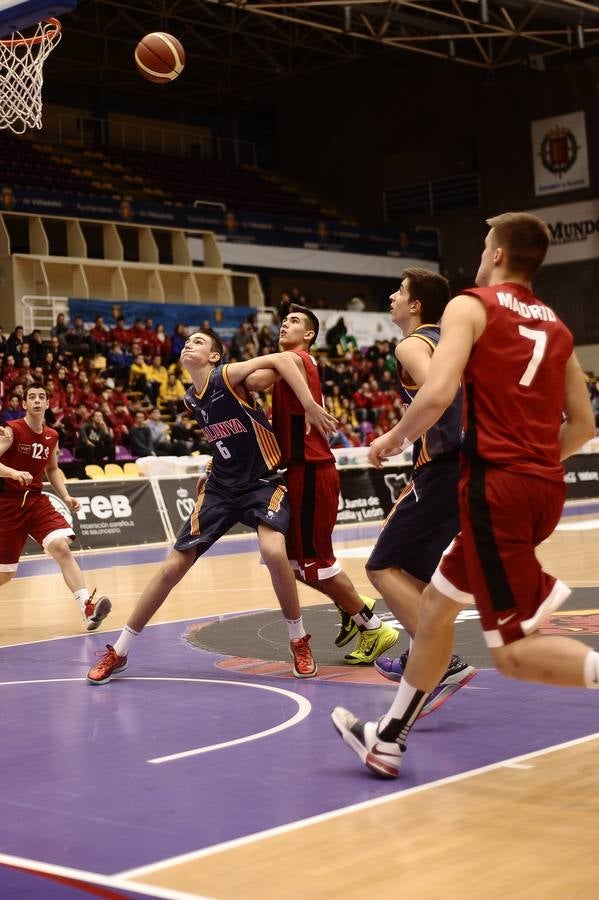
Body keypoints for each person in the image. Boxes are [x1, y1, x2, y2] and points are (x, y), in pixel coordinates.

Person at [332, 212, 596, 778]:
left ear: (498, 254)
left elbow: (437, 392)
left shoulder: (470, 305)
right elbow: (582, 428)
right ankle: (388, 738)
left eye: (483, 245)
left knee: (514, 652)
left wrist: (390, 439)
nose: (479, 255)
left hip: (494, 487)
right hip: (541, 486)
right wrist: (533, 461)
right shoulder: (558, 328)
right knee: (435, 606)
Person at [86, 328, 337, 685]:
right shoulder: (191, 399)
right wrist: (210, 466)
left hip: (262, 483)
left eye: (199, 341)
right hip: (220, 487)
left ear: (215, 356)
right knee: (172, 566)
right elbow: (225, 439)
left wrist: (311, 405)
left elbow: (282, 359)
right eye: (187, 341)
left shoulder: (228, 376)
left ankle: (298, 640)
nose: (189, 343)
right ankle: (120, 651)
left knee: (273, 552)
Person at [245, 303, 398, 664]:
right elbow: (258, 380)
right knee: (290, 562)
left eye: (294, 321)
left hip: (313, 470)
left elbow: (253, 380)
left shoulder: (299, 360)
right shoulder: (287, 366)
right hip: (297, 472)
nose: (285, 324)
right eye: (283, 321)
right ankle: (355, 605)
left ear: (310, 335)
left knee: (315, 561)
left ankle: (373, 626)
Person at [365, 269, 475, 714]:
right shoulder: (453, 341)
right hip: (468, 464)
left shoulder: (412, 343)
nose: (391, 296)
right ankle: (418, 655)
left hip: (442, 466)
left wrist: (394, 437)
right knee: (414, 575)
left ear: (415, 306)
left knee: (381, 567)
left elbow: (439, 392)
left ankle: (441, 664)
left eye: (399, 292)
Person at [0, 383, 111, 631]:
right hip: (7, 505)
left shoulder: (52, 435)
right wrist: (12, 472)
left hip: (37, 502)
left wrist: (67, 496)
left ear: (48, 403)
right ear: (24, 404)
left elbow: (52, 469)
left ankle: (86, 608)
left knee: (61, 547)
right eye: (32, 397)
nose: (37, 400)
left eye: (41, 396)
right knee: (6, 574)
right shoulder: (11, 430)